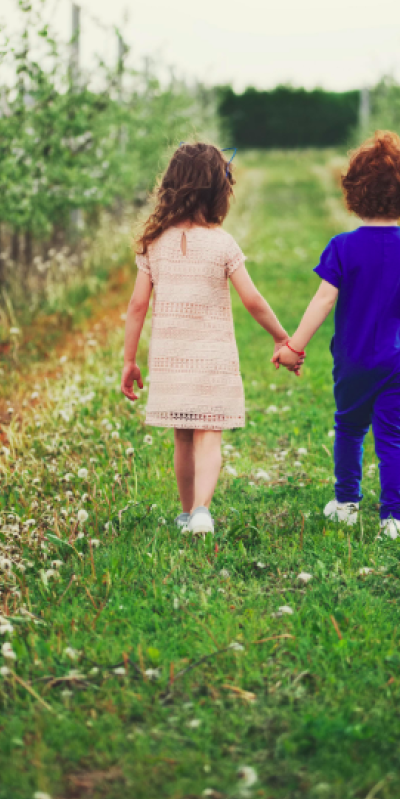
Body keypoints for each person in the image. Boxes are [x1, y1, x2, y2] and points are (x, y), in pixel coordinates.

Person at [120, 143, 293, 535]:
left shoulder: (153, 243)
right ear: (218, 190)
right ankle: (202, 511)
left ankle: (186, 514)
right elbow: (252, 299)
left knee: (182, 437)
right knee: (208, 434)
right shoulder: (222, 243)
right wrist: (282, 336)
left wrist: (129, 361)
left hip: (170, 358)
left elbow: (136, 306)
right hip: (212, 359)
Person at [273, 131, 400, 539]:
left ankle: (346, 503)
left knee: (348, 428)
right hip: (398, 361)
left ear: (354, 193)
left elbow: (323, 300)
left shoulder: (342, 247)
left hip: (353, 359)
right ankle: (392, 518)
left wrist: (295, 345)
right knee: (393, 435)